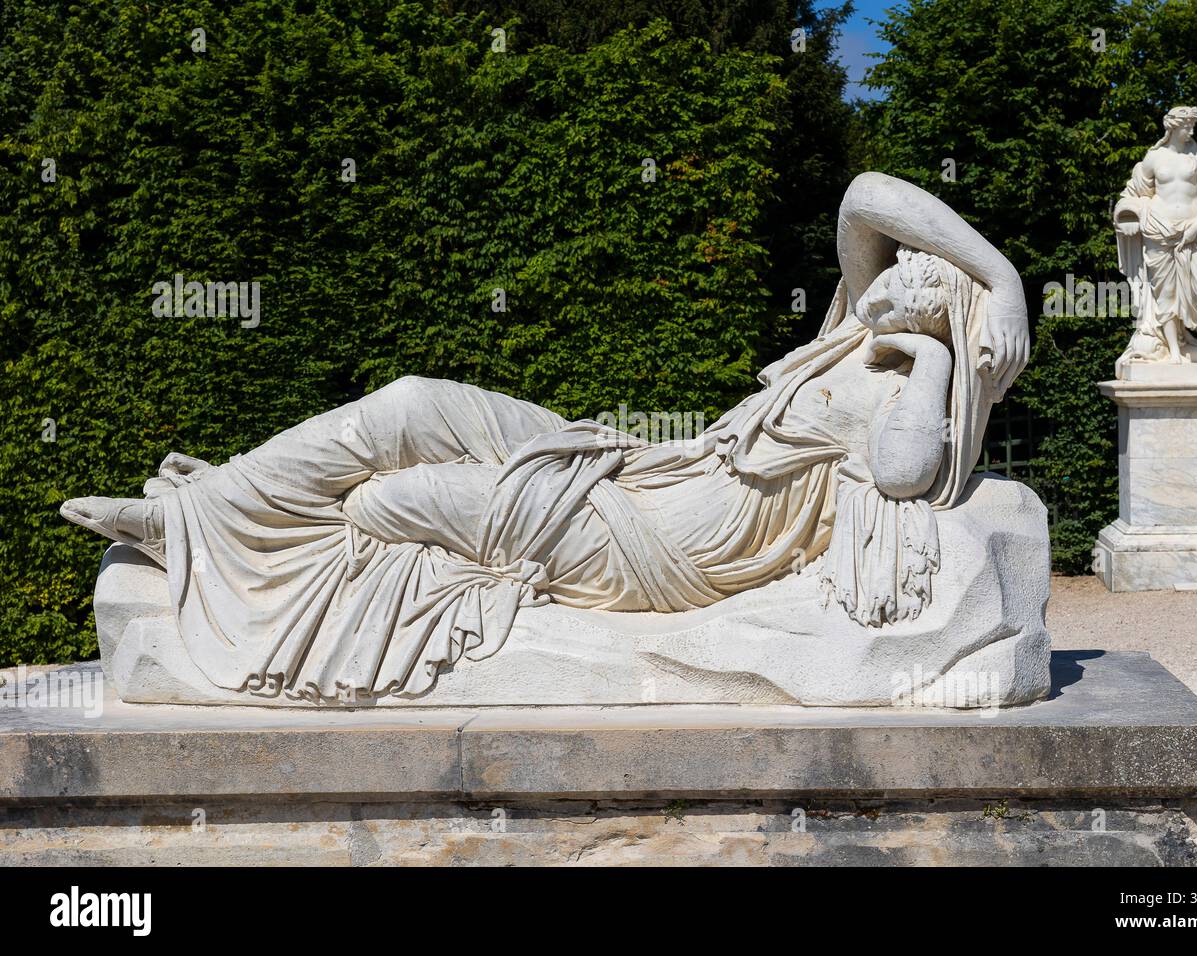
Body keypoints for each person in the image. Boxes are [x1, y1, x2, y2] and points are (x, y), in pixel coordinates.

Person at [61, 173, 1029, 701]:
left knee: (384, 503)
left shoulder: (913, 392)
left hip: (654, 547)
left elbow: (906, 475)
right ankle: (203, 508)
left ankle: (213, 537)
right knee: (407, 399)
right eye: (898, 268)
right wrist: (1001, 271)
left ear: (939, 312)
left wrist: (936, 354)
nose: (889, 275)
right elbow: (864, 195)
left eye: (912, 279)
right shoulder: (847, 336)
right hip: (637, 465)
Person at [1115, 106, 1197, 369]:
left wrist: (1195, 228)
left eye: (1193, 125)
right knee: (1167, 295)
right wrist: (1129, 214)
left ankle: (1194, 330)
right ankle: (1174, 352)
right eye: (1187, 126)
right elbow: (1132, 193)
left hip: (1196, 232)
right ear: (1173, 127)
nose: (1192, 131)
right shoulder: (1154, 158)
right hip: (1159, 231)